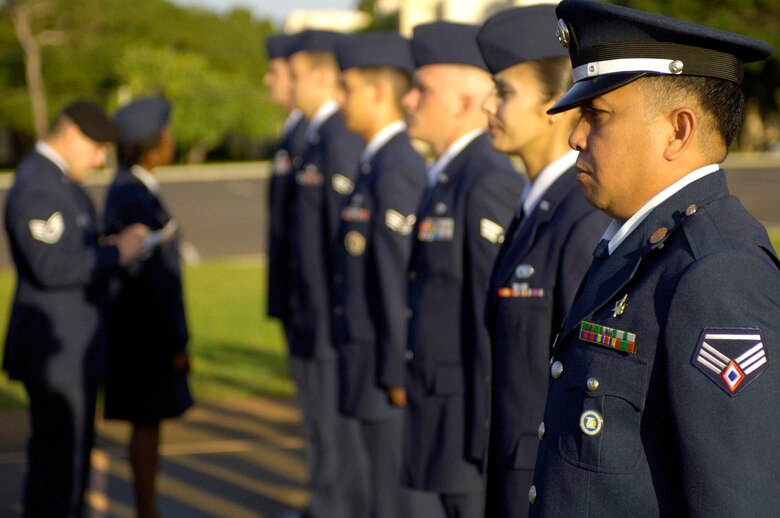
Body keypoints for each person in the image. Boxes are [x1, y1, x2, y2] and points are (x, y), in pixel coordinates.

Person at [527, 0, 780, 516]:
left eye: (596, 115)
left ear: (678, 130)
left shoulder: (715, 270)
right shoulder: (637, 245)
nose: (575, 137)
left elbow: (738, 500)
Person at [474, 6, 610, 518]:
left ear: (557, 103)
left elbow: (587, 386)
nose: (487, 105)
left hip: (543, 484)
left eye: (504, 92)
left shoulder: (580, 217)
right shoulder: (535, 206)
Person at [398, 22, 524, 518]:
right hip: (442, 407)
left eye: (423, 89)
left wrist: (483, 429)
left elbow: (492, 320)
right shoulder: (448, 175)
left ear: (465, 102)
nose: (408, 100)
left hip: (467, 419)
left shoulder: (484, 179)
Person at [2, 100, 148, 517]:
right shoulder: (39, 183)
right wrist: (117, 253)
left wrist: (107, 248)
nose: (101, 160)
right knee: (56, 477)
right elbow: (51, 266)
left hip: (73, 350)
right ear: (71, 136)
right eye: (97, 148)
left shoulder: (58, 181)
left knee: (70, 471)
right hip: (57, 354)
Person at [332, 32, 442, 518]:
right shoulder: (374, 162)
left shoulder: (395, 166)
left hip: (385, 366)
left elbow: (399, 279)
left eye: (347, 88)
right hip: (368, 359)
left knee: (397, 499)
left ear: (378, 92)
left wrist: (397, 368)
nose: (339, 99)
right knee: (380, 492)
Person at [286, 29, 369, 518]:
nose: (288, 84)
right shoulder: (317, 136)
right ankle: (324, 505)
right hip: (311, 312)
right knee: (320, 425)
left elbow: (344, 245)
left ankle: (336, 508)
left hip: (327, 317)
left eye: (296, 75)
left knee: (336, 432)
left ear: (321, 77)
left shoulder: (337, 138)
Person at [103, 96, 193, 518]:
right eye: (165, 134)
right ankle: (147, 509)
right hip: (145, 334)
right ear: (150, 145)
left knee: (148, 420)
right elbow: (151, 277)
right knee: (146, 420)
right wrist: (176, 340)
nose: (170, 140)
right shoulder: (133, 196)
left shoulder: (131, 188)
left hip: (140, 330)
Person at [263, 33, 308, 328]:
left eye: (275, 73)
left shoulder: (306, 136)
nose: (267, 80)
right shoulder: (293, 131)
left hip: (302, 291)